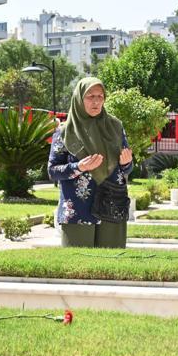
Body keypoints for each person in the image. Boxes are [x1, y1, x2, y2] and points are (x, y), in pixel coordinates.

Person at [47, 77, 133, 248]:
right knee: (78, 266)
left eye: (100, 96)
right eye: (90, 96)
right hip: (78, 209)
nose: (96, 101)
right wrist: (79, 167)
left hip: (112, 204)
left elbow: (126, 168)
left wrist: (127, 163)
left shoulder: (115, 126)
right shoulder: (65, 131)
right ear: (79, 98)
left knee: (113, 266)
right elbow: (52, 171)